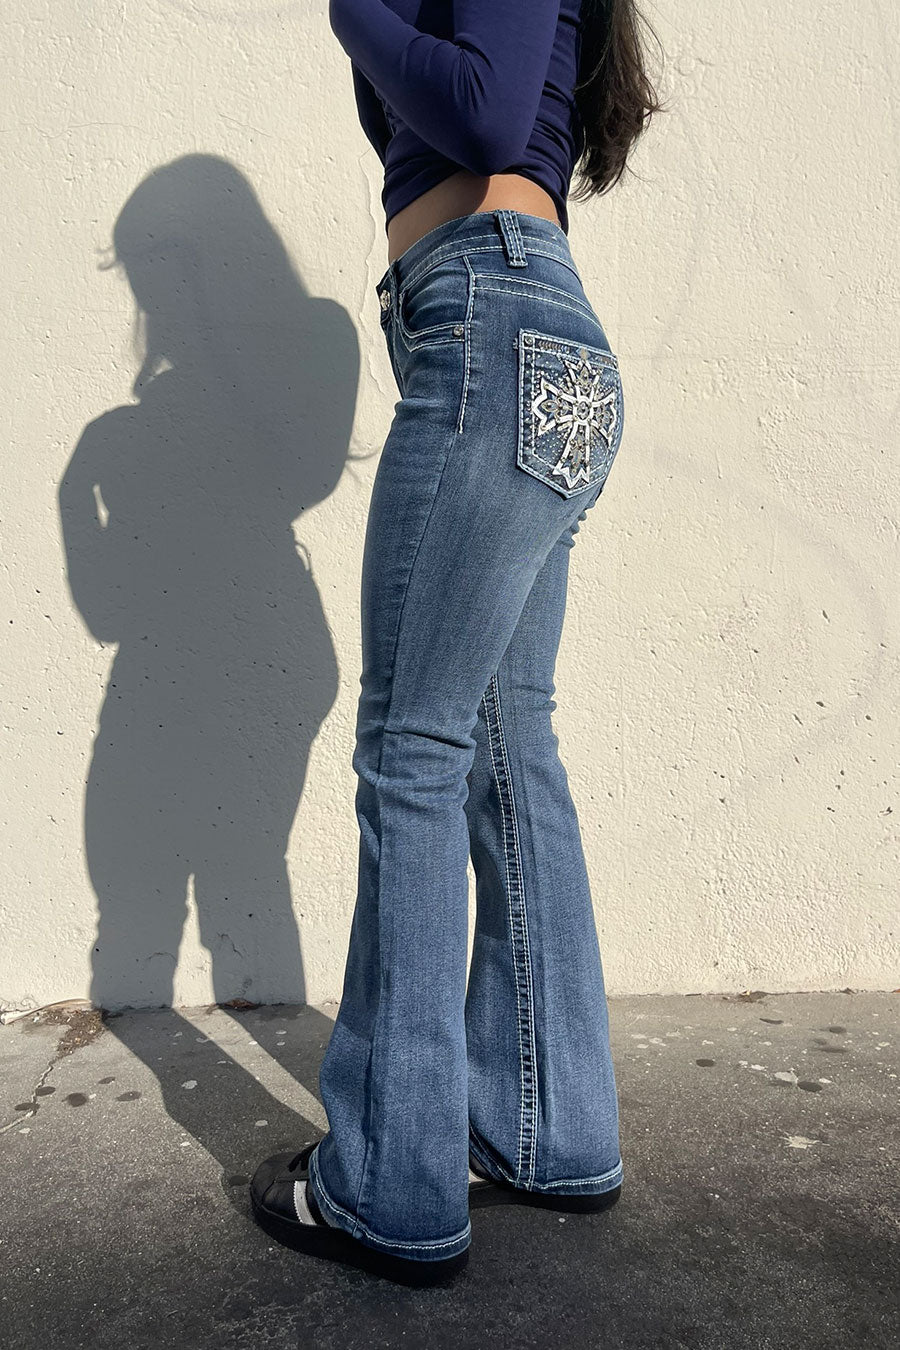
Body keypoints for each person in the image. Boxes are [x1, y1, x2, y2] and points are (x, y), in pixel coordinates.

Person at [251, 0, 664, 1287]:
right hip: (539, 337)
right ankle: (550, 1129)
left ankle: (391, 1184)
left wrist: (349, 12)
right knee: (505, 746)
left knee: (413, 755)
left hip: (483, 320)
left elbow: (481, 117)